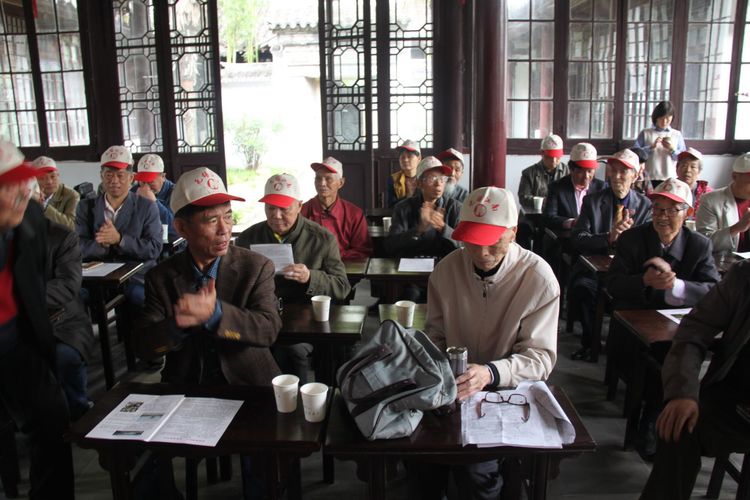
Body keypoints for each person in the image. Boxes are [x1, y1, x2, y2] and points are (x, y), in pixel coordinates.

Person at [135, 167, 281, 499]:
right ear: (181, 227)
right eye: (211, 220)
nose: (224, 228)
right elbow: (144, 346)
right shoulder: (161, 277)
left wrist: (216, 315)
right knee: (139, 460)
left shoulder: (255, 266)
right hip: (187, 385)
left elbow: (269, 329)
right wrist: (177, 324)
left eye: (228, 216)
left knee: (264, 463)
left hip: (249, 384)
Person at [419, 186, 559, 499]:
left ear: (513, 232)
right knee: (418, 458)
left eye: (492, 241)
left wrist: (491, 373)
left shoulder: (537, 277)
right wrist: (442, 367)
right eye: (472, 240)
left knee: (477, 473)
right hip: (452, 388)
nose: (481, 252)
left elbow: (540, 358)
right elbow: (434, 334)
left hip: (507, 392)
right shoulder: (446, 270)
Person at [604, 177, 720, 458]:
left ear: (688, 213)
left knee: (680, 353)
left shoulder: (699, 245)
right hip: (634, 326)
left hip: (677, 326)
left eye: (671, 210)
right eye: (657, 209)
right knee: (659, 358)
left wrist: (677, 286)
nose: (662, 216)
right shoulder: (632, 239)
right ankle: (652, 418)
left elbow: (713, 291)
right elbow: (613, 284)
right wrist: (643, 281)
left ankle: (669, 418)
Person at [640, 260, 750, 500]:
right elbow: (694, 331)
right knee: (679, 426)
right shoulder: (744, 276)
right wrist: (683, 392)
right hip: (735, 401)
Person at [0, 140, 74, 499]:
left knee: (51, 418)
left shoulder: (29, 216)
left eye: (21, 180)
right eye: (7, 184)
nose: (21, 191)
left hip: (16, 336)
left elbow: (34, 283)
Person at [237, 173, 350, 383]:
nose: (276, 216)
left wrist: (310, 277)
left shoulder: (321, 238)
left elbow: (342, 286)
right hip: (261, 315)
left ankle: (296, 398)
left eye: (284, 209)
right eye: (270, 208)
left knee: (290, 351)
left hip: (304, 320)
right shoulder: (248, 238)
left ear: (299, 206)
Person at [570, 149, 652, 362]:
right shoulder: (593, 201)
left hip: (626, 271)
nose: (616, 176)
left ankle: (622, 350)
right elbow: (578, 238)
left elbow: (648, 247)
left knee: (638, 294)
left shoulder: (645, 205)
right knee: (582, 287)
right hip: (594, 269)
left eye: (623, 172)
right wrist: (609, 237)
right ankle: (591, 343)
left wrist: (628, 239)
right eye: (612, 170)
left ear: (635, 175)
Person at [76, 145, 162, 306]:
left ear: (131, 178)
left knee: (139, 299)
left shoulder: (147, 207)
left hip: (135, 278)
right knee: (73, 300)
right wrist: (100, 244)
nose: (114, 181)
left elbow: (154, 248)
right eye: (108, 175)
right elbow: (78, 247)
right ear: (101, 176)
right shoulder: (85, 207)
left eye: (120, 175)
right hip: (97, 279)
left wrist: (120, 240)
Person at [385, 156, 461, 261]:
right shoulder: (402, 208)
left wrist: (443, 228)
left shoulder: (455, 207)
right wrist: (418, 230)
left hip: (445, 265)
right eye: (432, 178)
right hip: (412, 265)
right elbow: (391, 246)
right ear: (419, 183)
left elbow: (464, 245)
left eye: (442, 179)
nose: (438, 184)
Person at [301, 156, 372, 260]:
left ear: (341, 183)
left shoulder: (354, 214)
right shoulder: (302, 211)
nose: (322, 183)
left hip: (345, 267)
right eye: (318, 178)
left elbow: (362, 250)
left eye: (328, 179)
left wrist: (332, 256)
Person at [696, 152, 750, 254]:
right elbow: (703, 242)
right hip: (726, 262)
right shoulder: (711, 200)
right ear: (735, 176)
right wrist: (737, 227)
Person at [544, 142, 605, 231]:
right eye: (580, 172)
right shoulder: (557, 188)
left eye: (590, 171)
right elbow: (549, 218)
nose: (586, 176)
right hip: (568, 236)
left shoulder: (602, 188)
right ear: (571, 169)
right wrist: (572, 223)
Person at [634, 100, 687, 184]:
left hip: (670, 178)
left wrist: (672, 150)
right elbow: (635, 154)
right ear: (656, 117)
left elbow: (683, 159)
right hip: (649, 177)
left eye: (668, 119)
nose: (664, 122)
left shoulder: (676, 134)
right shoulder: (646, 133)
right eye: (662, 118)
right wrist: (651, 147)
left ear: (672, 118)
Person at [132, 153, 178, 242]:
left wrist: (154, 203)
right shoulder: (134, 192)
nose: (146, 187)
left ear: (163, 177)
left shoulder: (176, 192)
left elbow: (175, 228)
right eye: (143, 182)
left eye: (150, 182)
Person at [518, 133, 569, 209]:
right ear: (541, 153)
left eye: (557, 157)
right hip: (537, 214)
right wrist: (542, 201)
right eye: (550, 157)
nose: (554, 160)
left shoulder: (568, 171)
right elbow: (523, 198)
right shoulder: (529, 173)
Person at [32, 155, 79, 229]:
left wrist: (44, 206)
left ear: (58, 175)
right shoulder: (29, 195)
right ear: (34, 181)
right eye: (42, 178)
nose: (49, 182)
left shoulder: (71, 195)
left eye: (53, 176)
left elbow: (72, 226)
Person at [675, 147, 712, 214]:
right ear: (677, 168)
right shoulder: (668, 188)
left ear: (699, 171)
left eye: (693, 167)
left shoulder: (706, 193)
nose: (688, 170)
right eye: (684, 165)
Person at [386, 139, 421, 207]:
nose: (405, 160)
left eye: (409, 156)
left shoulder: (425, 177)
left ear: (419, 158)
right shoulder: (393, 179)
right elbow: (391, 205)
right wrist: (408, 197)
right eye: (402, 156)